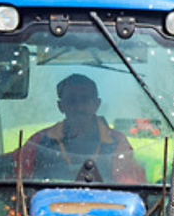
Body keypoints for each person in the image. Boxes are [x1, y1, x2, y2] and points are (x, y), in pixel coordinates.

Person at [15, 74, 146, 183]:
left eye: (86, 100)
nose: (79, 107)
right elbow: (15, 183)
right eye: (72, 101)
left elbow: (130, 190)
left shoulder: (118, 143)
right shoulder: (38, 142)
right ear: (60, 106)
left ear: (96, 104)